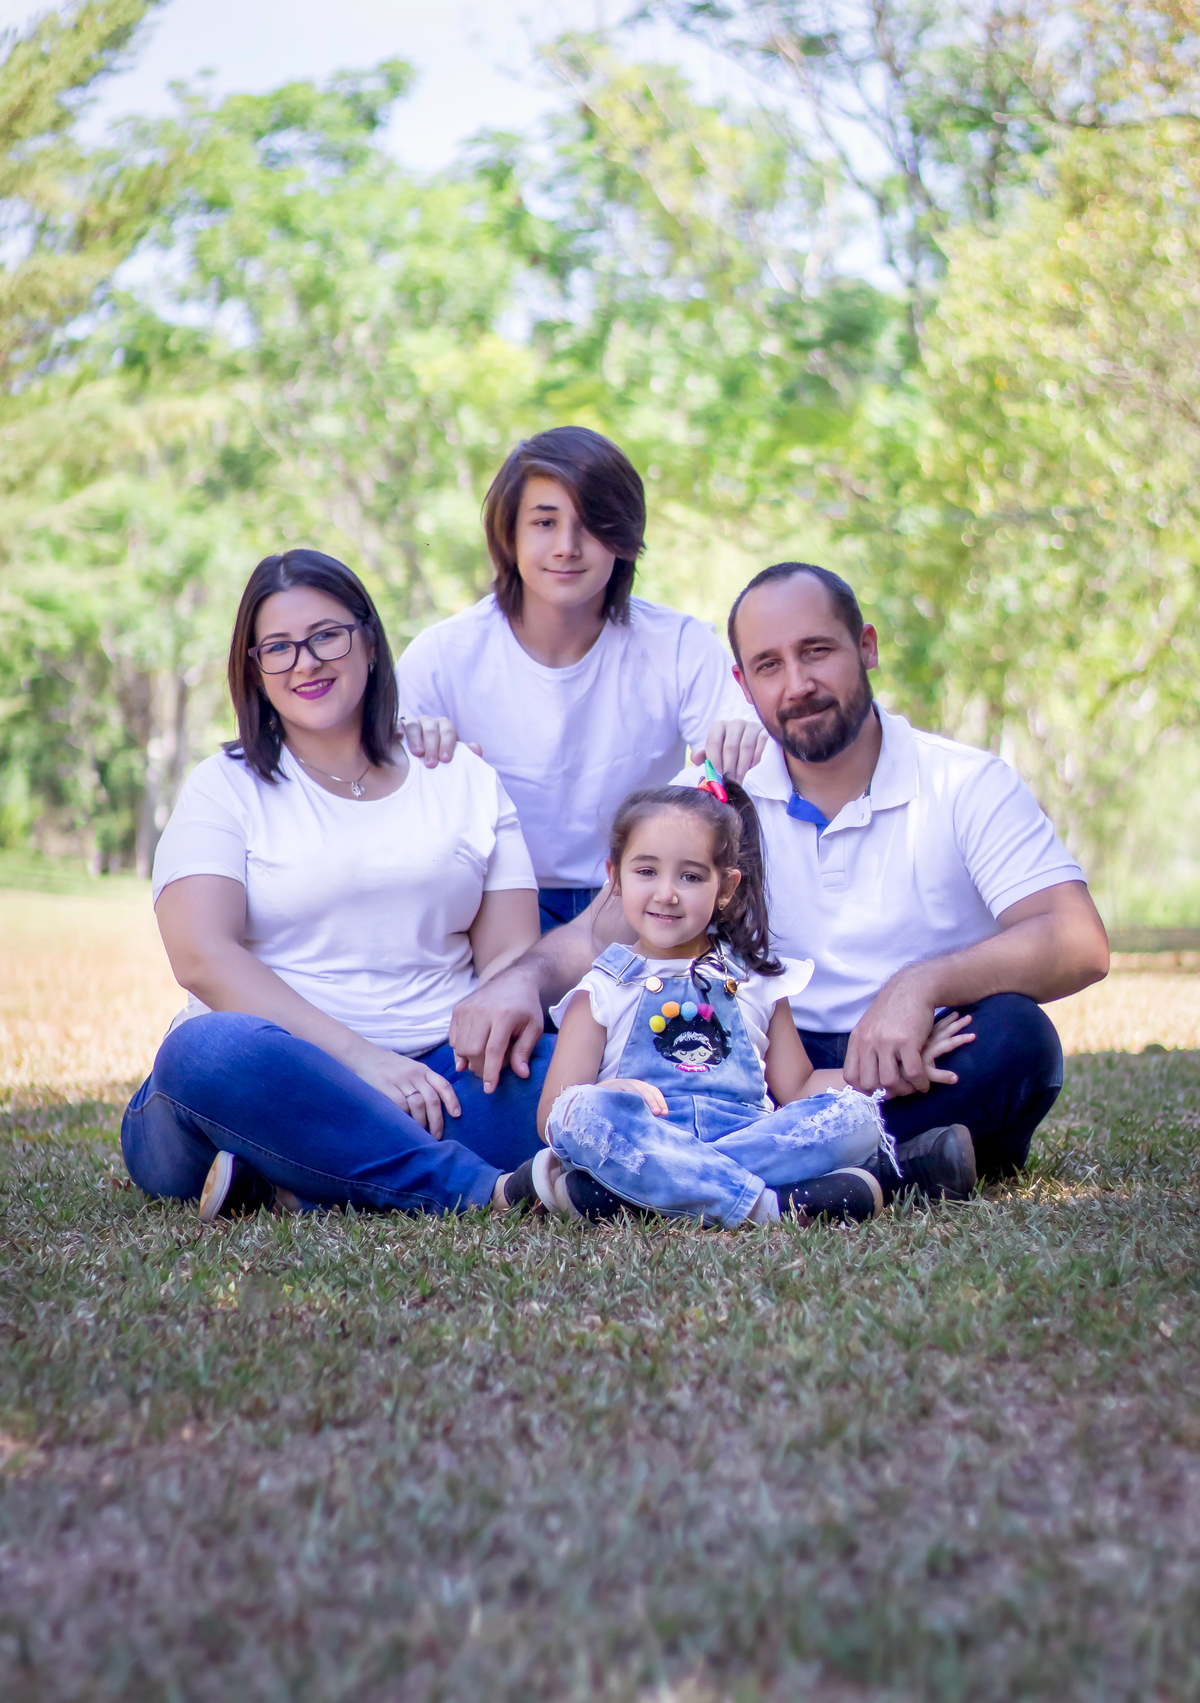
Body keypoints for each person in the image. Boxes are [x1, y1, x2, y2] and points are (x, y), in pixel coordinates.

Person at [446, 563, 1111, 1181]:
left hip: (910, 1057)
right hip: (747, 1059)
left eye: (817, 651)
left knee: (1019, 1041)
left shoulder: (964, 780)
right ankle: (879, 1167)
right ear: (743, 684)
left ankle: (705, 1173)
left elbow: (1077, 939)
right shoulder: (717, 790)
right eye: (769, 664)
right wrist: (522, 982)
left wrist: (921, 983)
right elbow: (602, 930)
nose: (797, 684)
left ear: (867, 647)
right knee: (593, 1047)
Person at [121, 548, 553, 1223]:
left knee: (560, 1069)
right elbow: (201, 953)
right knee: (206, 1052)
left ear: (370, 642)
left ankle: (297, 1180)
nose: (306, 662)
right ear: (255, 672)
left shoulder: (461, 778)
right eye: (279, 648)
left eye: (326, 636)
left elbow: (510, 957)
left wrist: (495, 1030)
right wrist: (363, 1061)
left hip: (440, 1074)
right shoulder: (224, 785)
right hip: (272, 1072)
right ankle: (470, 1189)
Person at [502, 778, 976, 1226]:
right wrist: (609, 1093)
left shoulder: (756, 982)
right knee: (581, 1115)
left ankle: (650, 1197)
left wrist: (892, 1068)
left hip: (747, 1138)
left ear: (725, 888)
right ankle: (768, 1207)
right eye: (646, 871)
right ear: (616, 876)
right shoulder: (601, 989)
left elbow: (801, 1085)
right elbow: (554, 1114)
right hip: (650, 1139)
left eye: (690, 876)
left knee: (854, 1121)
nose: (666, 893)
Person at [396, 426, 765, 933]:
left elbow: (734, 758)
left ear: (625, 537)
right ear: (510, 535)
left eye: (590, 525)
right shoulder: (442, 656)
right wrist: (417, 746)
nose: (567, 547)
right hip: (492, 901)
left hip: (639, 903)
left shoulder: (678, 644)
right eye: (544, 522)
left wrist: (743, 737)